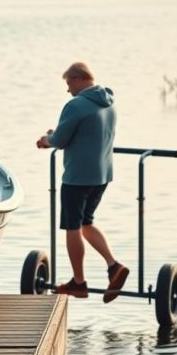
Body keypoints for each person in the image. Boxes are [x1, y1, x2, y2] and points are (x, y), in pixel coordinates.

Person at [36, 62, 129, 302]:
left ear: (78, 78)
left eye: (68, 84)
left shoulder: (76, 105)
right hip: (102, 175)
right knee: (87, 222)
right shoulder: (109, 102)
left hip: (78, 177)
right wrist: (56, 137)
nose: (68, 90)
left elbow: (61, 139)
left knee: (72, 226)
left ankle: (79, 282)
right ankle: (113, 266)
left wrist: (46, 139)